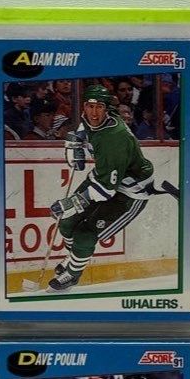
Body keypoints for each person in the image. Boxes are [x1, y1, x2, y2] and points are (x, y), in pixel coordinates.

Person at [46, 85, 157, 292]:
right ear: (84, 106)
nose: (94, 113)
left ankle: (73, 274)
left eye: (99, 107)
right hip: (104, 178)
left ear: (107, 109)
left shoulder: (115, 137)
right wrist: (75, 141)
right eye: (90, 106)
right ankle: (74, 257)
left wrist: (74, 201)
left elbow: (106, 190)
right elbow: (84, 127)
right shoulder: (94, 119)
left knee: (85, 234)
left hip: (130, 192)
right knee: (67, 222)